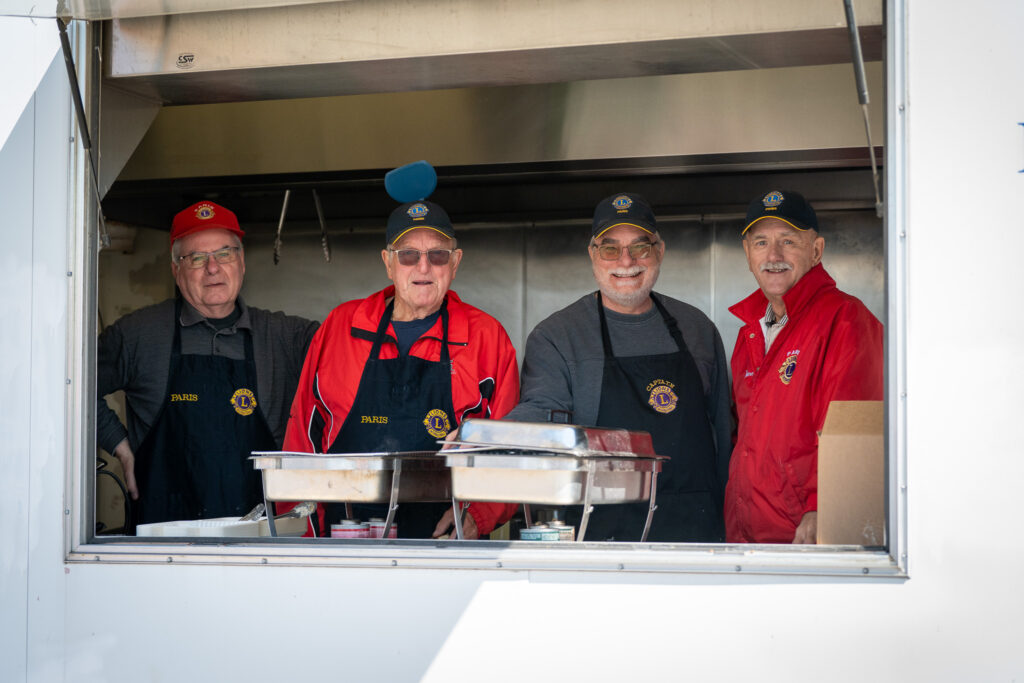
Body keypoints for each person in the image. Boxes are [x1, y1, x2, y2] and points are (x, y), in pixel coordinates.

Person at [282, 199, 520, 539]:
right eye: (408, 255)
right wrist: (303, 536)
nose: (423, 267)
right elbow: (301, 442)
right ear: (388, 263)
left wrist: (478, 516)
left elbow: (510, 448)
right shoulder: (341, 327)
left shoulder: (487, 337)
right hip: (344, 539)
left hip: (445, 543)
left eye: (437, 255)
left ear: (455, 262)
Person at [504, 193, 732, 542]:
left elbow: (724, 437)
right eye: (610, 248)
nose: (626, 261)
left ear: (660, 251)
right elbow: (541, 415)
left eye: (640, 247)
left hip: (695, 537)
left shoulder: (697, 329)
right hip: (600, 540)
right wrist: (484, 436)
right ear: (592, 254)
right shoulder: (558, 336)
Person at [97, 200, 319, 529]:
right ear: (176, 270)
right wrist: (119, 445)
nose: (213, 268)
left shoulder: (284, 336)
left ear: (242, 262)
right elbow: (68, 381)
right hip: (160, 543)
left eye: (224, 253)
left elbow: (355, 351)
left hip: (260, 542)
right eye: (197, 258)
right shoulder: (138, 334)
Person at [725, 190, 883, 544]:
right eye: (761, 242)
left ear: (816, 250)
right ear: (748, 253)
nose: (774, 256)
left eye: (788, 241)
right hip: (746, 535)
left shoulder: (845, 319)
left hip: (805, 537)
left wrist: (824, 507)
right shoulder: (750, 332)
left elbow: (854, 430)